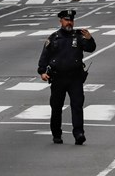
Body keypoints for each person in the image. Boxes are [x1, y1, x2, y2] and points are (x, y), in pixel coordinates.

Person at [37, 9, 96, 145]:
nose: (69, 23)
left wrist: (89, 39)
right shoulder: (54, 38)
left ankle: (79, 133)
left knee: (77, 105)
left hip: (75, 77)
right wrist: (42, 72)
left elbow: (90, 48)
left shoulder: (78, 36)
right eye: (66, 20)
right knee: (56, 106)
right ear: (61, 21)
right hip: (58, 78)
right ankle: (56, 133)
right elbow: (44, 56)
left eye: (71, 20)